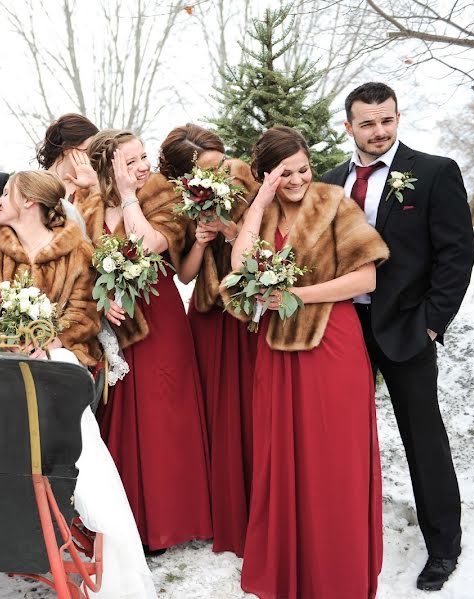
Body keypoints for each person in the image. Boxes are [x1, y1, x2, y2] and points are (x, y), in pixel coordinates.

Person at [321, 82, 474, 591]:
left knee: (422, 436)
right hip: (342, 331)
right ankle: (343, 538)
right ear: (349, 127)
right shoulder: (328, 182)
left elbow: (457, 254)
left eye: (386, 119)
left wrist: (433, 322)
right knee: (338, 439)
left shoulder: (433, 172)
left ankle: (443, 547)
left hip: (408, 327)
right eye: (367, 122)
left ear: (397, 117)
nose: (379, 131)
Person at [0, 170, 156, 598]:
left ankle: (95, 528)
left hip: (61, 357)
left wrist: (50, 337)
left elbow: (86, 315)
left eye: (7, 194)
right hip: (11, 360)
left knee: (63, 391)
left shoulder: (77, 249)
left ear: (31, 202)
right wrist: (5, 338)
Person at [226, 126, 389, 599]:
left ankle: (337, 570)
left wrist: (296, 294)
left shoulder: (335, 204)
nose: (297, 179)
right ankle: (288, 567)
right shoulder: (262, 210)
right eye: (284, 173)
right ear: (266, 175)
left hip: (332, 347)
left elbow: (366, 279)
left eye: (303, 169)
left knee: (333, 459)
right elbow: (240, 267)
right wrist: (259, 203)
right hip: (277, 351)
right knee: (283, 456)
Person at [77, 129, 212, 553]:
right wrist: (99, 308)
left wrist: (129, 193)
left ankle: (168, 522)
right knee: (118, 416)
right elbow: (79, 269)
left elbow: (147, 243)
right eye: (130, 161)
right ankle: (127, 518)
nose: (143, 166)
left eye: (142, 158)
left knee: (160, 415)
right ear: (108, 166)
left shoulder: (164, 196)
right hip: (112, 323)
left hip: (159, 319)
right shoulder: (86, 204)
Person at [159, 124, 260, 557]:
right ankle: (222, 509)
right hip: (207, 312)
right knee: (216, 414)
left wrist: (233, 228)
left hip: (246, 310)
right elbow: (183, 274)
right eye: (206, 169)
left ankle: (258, 505)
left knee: (251, 410)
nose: (218, 173)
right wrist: (201, 240)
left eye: (219, 163)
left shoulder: (248, 182)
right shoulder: (180, 204)